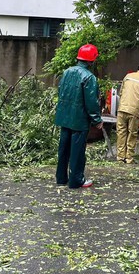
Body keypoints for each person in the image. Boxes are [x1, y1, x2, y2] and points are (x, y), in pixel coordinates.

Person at [55, 44, 103, 188]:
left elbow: (60, 92)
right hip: (79, 120)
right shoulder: (89, 77)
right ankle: (76, 180)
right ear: (91, 60)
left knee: (63, 149)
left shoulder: (67, 72)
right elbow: (91, 102)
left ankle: (61, 178)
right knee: (77, 152)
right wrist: (97, 120)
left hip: (64, 117)